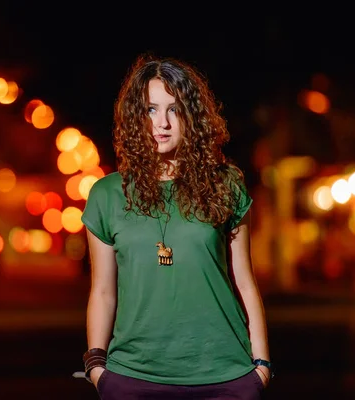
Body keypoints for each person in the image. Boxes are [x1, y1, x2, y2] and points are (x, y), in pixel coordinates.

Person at [80, 53, 272, 399]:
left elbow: (244, 278)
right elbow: (103, 291)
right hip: (133, 377)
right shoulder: (106, 195)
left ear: (192, 116)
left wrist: (261, 367)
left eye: (174, 108)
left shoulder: (225, 185)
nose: (162, 123)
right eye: (150, 109)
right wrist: (97, 366)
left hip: (226, 375)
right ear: (135, 118)